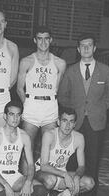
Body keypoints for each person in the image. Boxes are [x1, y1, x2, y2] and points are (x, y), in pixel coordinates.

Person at [58, 33, 109, 196]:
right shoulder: (70, 71)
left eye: (89, 45)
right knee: (71, 163)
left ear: (94, 48)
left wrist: (99, 108)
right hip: (74, 124)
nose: (86, 48)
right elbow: (62, 95)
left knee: (92, 163)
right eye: (82, 46)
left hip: (96, 124)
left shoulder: (106, 71)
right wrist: (75, 110)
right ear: (78, 49)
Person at [16, 26, 66, 154]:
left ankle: (47, 174)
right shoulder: (26, 61)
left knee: (49, 147)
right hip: (31, 107)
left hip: (50, 108)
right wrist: (27, 104)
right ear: (34, 40)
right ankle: (27, 174)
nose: (43, 42)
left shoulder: (60, 63)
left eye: (46, 39)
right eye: (39, 39)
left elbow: (57, 88)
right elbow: (19, 89)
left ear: (51, 40)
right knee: (27, 147)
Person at [0, 101, 47, 196]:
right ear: (5, 116)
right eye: (11, 114)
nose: (15, 118)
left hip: (15, 176)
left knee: (40, 190)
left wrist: (28, 182)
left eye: (18, 115)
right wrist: (6, 185)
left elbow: (30, 164)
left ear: (21, 117)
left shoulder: (24, 136)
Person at [35, 106, 95, 196]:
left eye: (71, 122)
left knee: (89, 183)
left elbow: (81, 166)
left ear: (74, 124)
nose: (67, 125)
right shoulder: (49, 135)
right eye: (64, 121)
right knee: (50, 180)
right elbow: (44, 166)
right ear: (58, 122)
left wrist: (77, 177)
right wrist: (65, 175)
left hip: (61, 174)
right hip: (42, 173)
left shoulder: (79, 138)